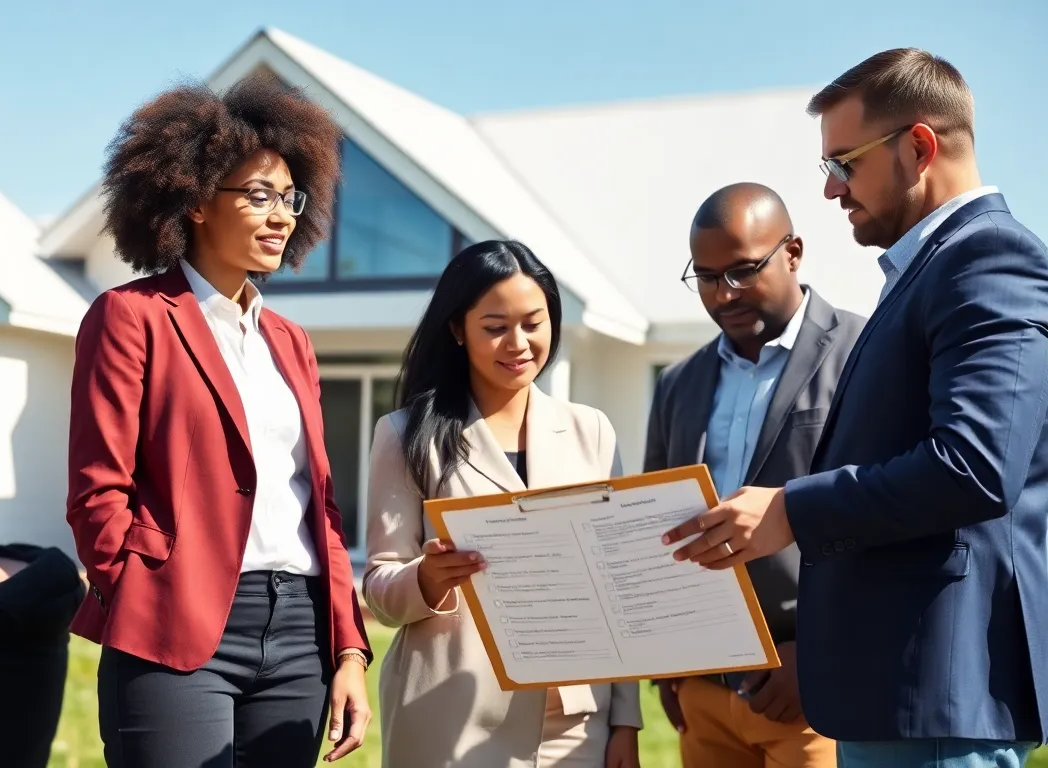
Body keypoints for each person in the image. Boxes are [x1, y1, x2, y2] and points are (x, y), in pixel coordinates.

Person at [661, 48, 1048, 767]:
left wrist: (791, 509)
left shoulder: (988, 258)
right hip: (897, 691)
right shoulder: (930, 270)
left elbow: (975, 465)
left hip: (936, 693)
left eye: (844, 163)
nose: (832, 188)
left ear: (920, 147)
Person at [65, 72, 373, 767]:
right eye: (259, 195)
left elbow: (319, 505)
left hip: (299, 635)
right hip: (174, 621)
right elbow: (96, 490)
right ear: (198, 199)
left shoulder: (290, 342)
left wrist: (348, 648)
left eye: (290, 198)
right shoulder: (131, 318)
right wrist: (140, 590)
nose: (281, 216)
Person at [363, 239, 643, 768]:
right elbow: (380, 590)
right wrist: (427, 578)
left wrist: (625, 720)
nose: (518, 344)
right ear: (457, 329)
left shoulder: (592, 431)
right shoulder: (404, 435)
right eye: (495, 327)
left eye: (533, 323)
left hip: (574, 722)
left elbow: (617, 587)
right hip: (451, 718)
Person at [645, 182, 864, 767]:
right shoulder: (677, 385)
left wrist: (820, 654)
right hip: (703, 692)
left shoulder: (864, 352)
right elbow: (652, 528)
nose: (725, 293)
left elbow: (888, 514)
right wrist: (669, 668)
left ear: (793, 252)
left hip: (812, 692)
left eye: (743, 271)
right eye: (706, 277)